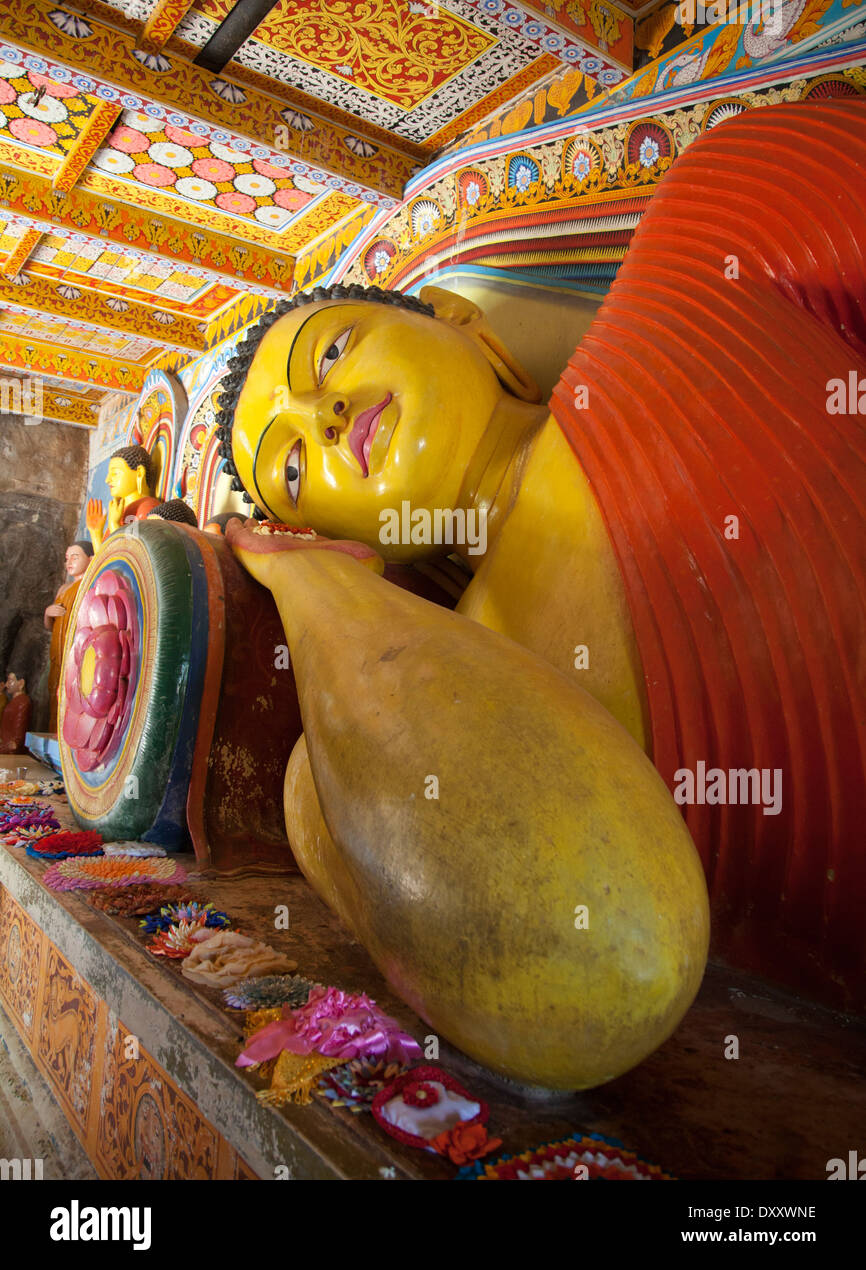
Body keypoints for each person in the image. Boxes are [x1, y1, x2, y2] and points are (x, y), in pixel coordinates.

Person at [216, 101, 866, 1084]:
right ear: (350, 545)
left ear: (455, 323)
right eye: (294, 467)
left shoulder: (708, 230)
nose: (323, 412)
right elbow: (604, 969)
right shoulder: (436, 714)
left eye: (332, 353)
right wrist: (310, 585)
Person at [44, 541, 94, 733]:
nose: (69, 562)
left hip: (75, 653)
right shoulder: (64, 589)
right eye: (67, 558)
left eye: (75, 557)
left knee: (70, 695)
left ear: (90, 559)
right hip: (57, 654)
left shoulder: (89, 584)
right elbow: (51, 627)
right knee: (54, 698)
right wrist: (47, 614)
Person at [85, 445, 159, 553]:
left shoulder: (147, 507)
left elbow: (134, 556)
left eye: (115, 473)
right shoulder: (120, 511)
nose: (107, 480)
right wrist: (96, 534)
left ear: (139, 472)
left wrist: (115, 525)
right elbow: (105, 563)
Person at [0, 672, 32, 754]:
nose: (7, 685)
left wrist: (8, 746)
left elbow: (17, 741)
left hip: (11, 752)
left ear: (21, 683)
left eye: (10, 681)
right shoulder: (14, 702)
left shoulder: (22, 703)